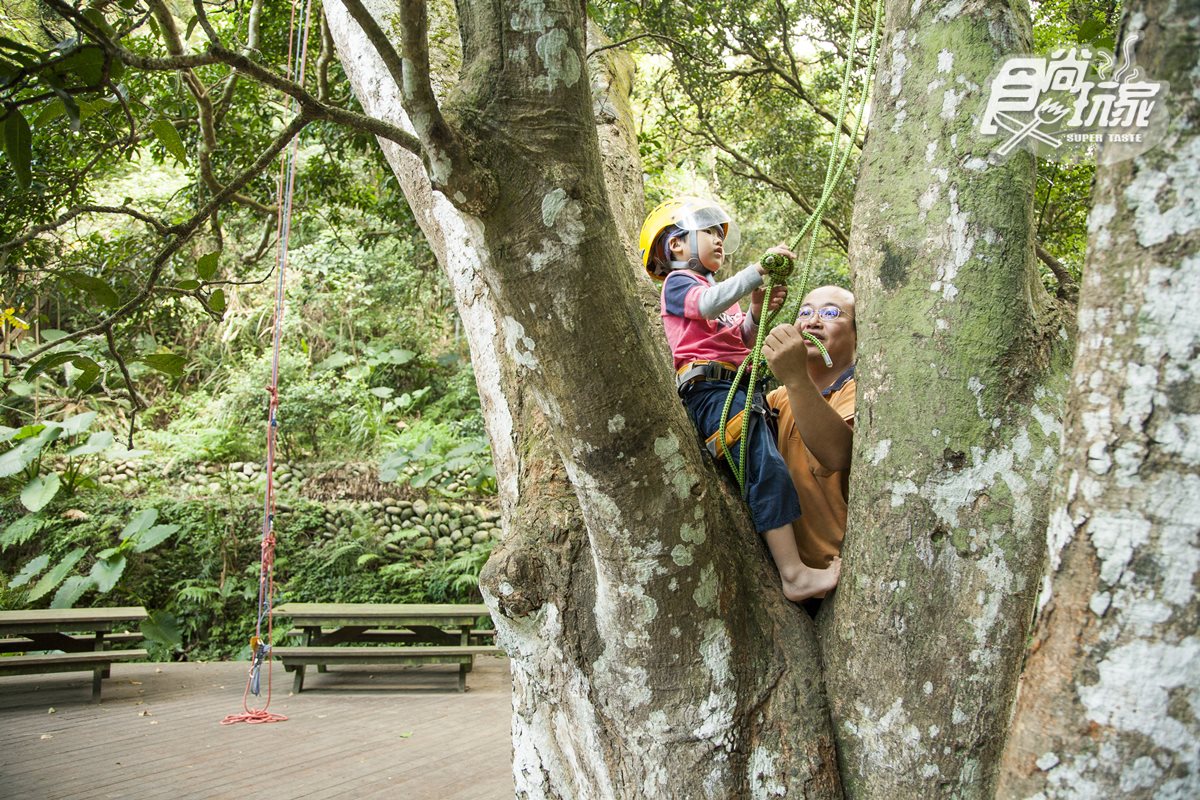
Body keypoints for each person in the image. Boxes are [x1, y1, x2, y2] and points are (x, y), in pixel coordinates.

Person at [638, 197, 841, 602]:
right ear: (676, 246)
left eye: (719, 233)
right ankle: (794, 575)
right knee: (765, 468)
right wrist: (757, 272)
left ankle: (794, 563)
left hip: (736, 388)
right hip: (711, 393)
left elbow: (738, 341)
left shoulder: (715, 292)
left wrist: (753, 311)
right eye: (708, 232)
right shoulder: (680, 285)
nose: (718, 240)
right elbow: (709, 305)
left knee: (770, 466)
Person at [762, 285, 857, 608]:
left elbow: (837, 453)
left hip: (838, 580)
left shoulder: (860, 391)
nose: (812, 322)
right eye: (804, 312)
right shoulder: (777, 399)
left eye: (830, 313)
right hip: (780, 583)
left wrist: (795, 378)